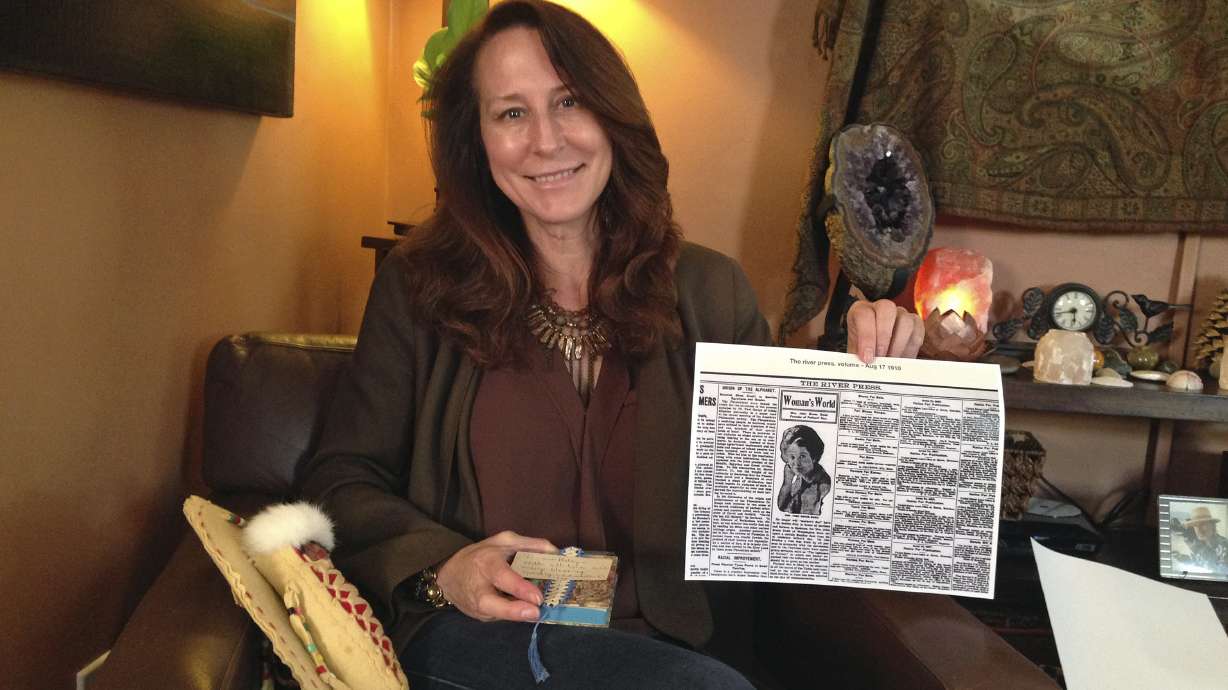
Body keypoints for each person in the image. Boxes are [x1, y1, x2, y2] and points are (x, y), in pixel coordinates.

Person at [296, 2, 924, 688]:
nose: (545, 140)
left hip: (676, 647)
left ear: (612, 117)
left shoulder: (710, 291)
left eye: (569, 102)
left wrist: (871, 389)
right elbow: (340, 480)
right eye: (511, 113)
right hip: (489, 640)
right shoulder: (417, 288)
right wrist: (445, 564)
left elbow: (788, 503)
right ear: (475, 140)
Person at [776, 425, 833, 516]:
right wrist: (787, 482)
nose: (796, 463)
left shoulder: (819, 484)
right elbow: (780, 507)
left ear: (814, 457)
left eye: (802, 456)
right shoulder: (801, 477)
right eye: (792, 457)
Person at [1171, 506, 1228, 574]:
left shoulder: (1224, 545)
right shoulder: (1201, 543)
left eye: (1203, 524)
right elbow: (1198, 564)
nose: (1199, 530)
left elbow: (1220, 572)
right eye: (1195, 526)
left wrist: (1198, 549)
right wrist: (1181, 557)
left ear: (1212, 525)